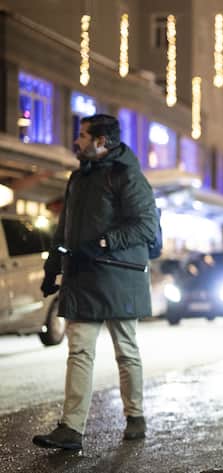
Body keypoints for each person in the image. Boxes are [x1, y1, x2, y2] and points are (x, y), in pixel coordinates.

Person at [33, 114, 159, 450]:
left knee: (126, 351)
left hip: (118, 277)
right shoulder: (79, 178)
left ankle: (135, 416)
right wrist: (52, 266)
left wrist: (104, 241)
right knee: (78, 351)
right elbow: (65, 230)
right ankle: (71, 428)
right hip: (83, 277)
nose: (78, 141)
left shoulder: (127, 176)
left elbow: (147, 227)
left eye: (83, 135)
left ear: (102, 140)